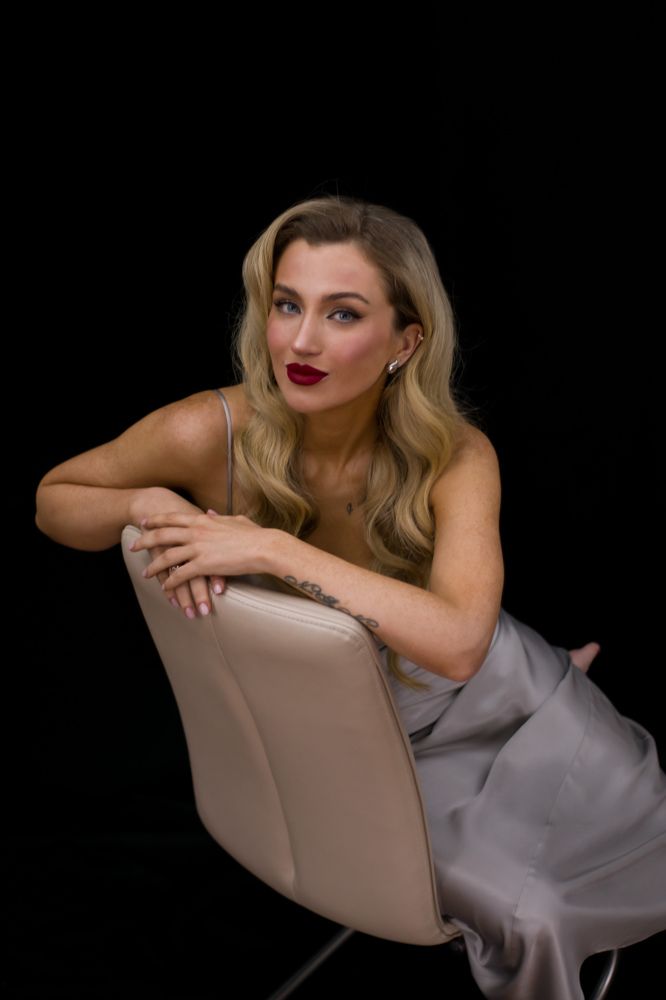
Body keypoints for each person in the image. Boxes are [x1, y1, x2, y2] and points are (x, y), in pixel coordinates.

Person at [35, 194, 665, 999]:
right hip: (365, 745)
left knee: (645, 820)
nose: (301, 341)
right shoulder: (210, 430)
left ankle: (556, 687)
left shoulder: (457, 455)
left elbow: (461, 648)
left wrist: (273, 547)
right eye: (286, 305)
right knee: (537, 911)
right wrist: (143, 501)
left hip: (486, 684)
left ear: (407, 342)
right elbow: (55, 499)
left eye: (342, 314)